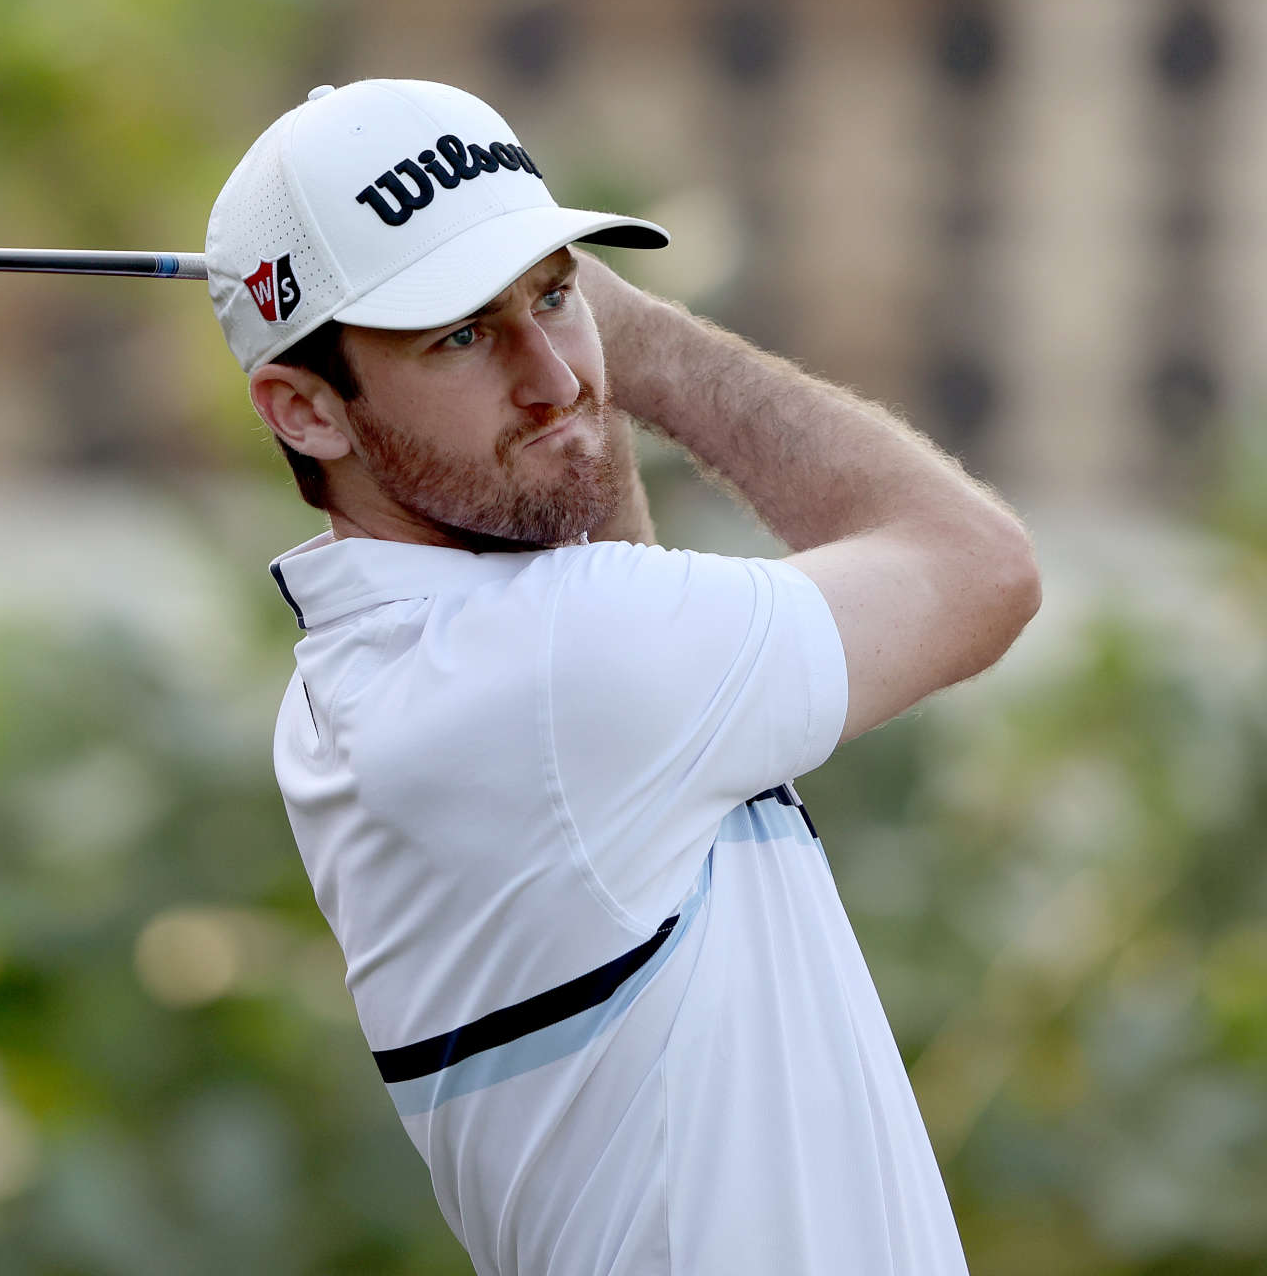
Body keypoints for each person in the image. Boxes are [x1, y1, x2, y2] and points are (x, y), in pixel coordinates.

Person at [204, 79, 1040, 1276]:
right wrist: (637, 336)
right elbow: (981, 566)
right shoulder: (556, 665)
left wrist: (543, 343)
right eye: (461, 334)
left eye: (555, 296)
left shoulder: (382, 675)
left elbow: (608, 565)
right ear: (304, 410)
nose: (552, 375)